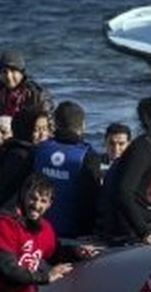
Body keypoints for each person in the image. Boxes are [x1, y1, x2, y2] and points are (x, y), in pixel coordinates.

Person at [97, 94, 151, 245]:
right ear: (148, 119)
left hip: (144, 225)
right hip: (127, 233)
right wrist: (144, 230)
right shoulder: (141, 150)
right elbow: (122, 193)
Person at [34, 100, 101, 238]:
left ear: (56, 124)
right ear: (83, 125)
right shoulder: (88, 155)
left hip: (39, 226)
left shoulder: (40, 149)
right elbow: (91, 199)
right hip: (73, 233)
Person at [0, 106, 52, 209]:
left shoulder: (11, 147)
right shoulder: (20, 156)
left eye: (45, 128)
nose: (43, 134)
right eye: (37, 129)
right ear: (25, 130)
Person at [0, 49, 53, 118]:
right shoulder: (1, 92)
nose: (9, 76)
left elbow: (47, 109)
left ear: (21, 73)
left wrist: (42, 117)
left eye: (13, 71)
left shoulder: (34, 92)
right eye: (4, 72)